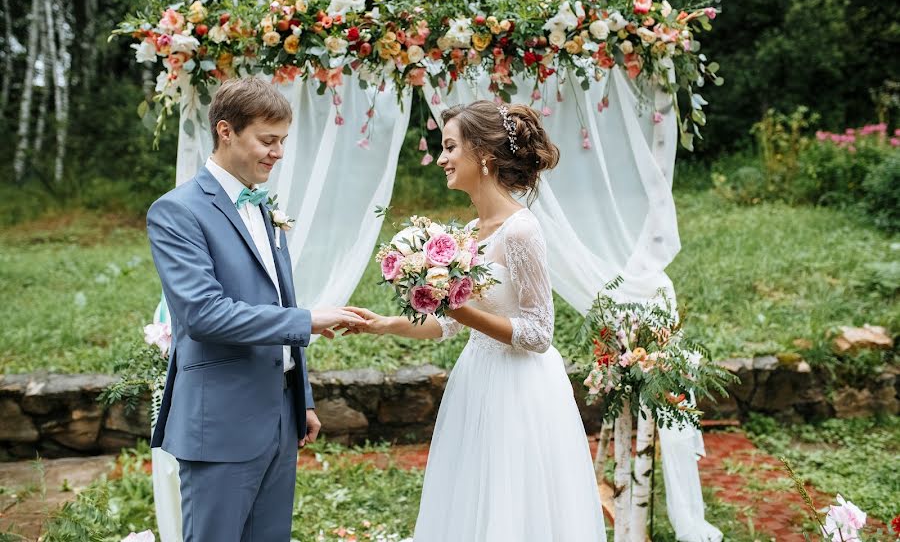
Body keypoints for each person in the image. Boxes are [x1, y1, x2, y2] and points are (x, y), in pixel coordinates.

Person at [348, 100, 607, 541]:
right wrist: (384, 324)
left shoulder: (521, 230)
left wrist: (457, 308)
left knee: (515, 504)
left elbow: (539, 333)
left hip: (522, 388)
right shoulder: (467, 235)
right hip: (476, 380)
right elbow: (447, 326)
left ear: (484, 154)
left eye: (450, 147)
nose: (443, 159)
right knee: (473, 499)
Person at [146, 77, 365, 542]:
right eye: (268, 140)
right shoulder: (176, 212)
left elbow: (276, 299)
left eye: (282, 141)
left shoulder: (264, 208)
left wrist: (300, 398)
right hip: (221, 424)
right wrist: (308, 319)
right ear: (226, 131)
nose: (278, 152)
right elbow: (204, 314)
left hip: (279, 419)